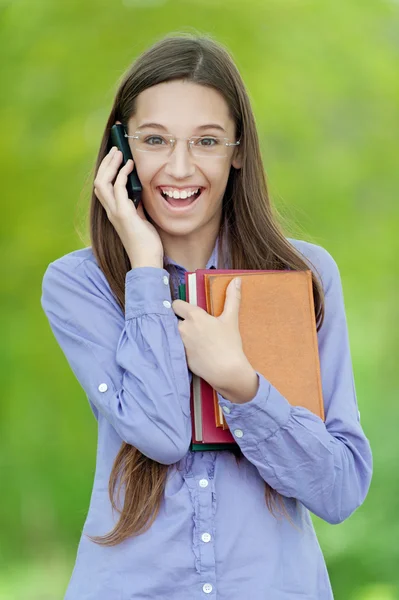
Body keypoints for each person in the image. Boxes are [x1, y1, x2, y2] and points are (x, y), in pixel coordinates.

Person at [41, 32, 372, 600]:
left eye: (207, 141)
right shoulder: (81, 284)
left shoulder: (305, 276)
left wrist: (244, 387)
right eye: (154, 139)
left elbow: (339, 490)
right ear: (121, 150)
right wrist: (145, 269)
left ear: (238, 150)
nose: (179, 166)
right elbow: (162, 435)